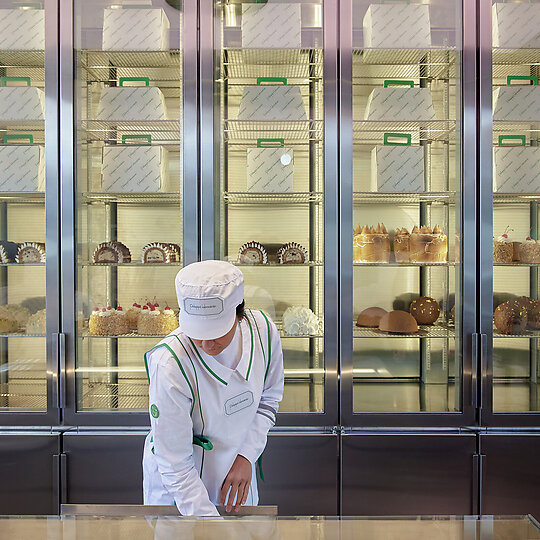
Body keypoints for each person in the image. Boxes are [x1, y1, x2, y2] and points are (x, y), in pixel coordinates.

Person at [142, 260, 284, 516]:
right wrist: (208, 524)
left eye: (216, 331)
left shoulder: (263, 333)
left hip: (236, 477)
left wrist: (246, 456)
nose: (207, 344)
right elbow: (175, 466)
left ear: (239, 314)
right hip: (179, 489)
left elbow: (268, 401)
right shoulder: (171, 363)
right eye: (197, 332)